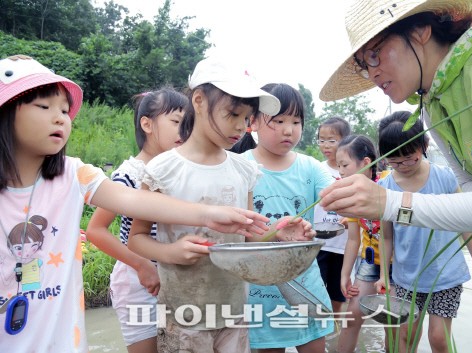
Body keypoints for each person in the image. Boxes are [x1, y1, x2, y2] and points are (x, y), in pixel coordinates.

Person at [0, 55, 270, 353]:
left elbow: (133, 201)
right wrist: (145, 263)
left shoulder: (74, 174)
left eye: (65, 110)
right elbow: (112, 229)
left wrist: (213, 216)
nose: (61, 118)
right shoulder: (153, 170)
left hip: (63, 340)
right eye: (44, 107)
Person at [126, 58, 314, 353]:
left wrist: (278, 233)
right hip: (182, 312)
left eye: (247, 118)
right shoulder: (163, 169)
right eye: (233, 114)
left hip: (235, 310)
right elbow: (136, 239)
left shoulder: (244, 171)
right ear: (199, 101)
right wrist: (170, 252)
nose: (241, 126)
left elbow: (248, 237)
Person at [318, 0, 472, 248]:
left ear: (420, 30)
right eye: (365, 65)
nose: (373, 73)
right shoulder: (433, 105)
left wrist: (389, 203)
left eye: (375, 54)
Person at [374, 111, 472, 353]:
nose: (403, 166)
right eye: (394, 161)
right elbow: (387, 236)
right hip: (407, 276)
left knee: (439, 338)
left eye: (409, 158)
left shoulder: (446, 178)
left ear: (424, 145)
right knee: (406, 336)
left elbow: (465, 223)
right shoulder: (385, 188)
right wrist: (384, 275)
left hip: (446, 274)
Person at [85, 87, 188, 353]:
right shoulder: (129, 174)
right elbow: (96, 230)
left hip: (176, 279)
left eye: (187, 124)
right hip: (137, 281)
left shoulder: (181, 172)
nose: (183, 131)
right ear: (147, 124)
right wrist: (141, 265)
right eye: (177, 122)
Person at [237, 83, 334, 353]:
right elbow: (238, 236)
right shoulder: (240, 168)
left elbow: (332, 192)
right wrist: (274, 233)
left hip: (306, 286)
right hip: (260, 293)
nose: (288, 130)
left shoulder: (311, 168)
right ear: (253, 122)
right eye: (278, 121)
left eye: (296, 121)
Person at [335, 134, 394, 353]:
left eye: (344, 165)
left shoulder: (389, 183)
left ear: (366, 163)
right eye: (338, 165)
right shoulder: (350, 195)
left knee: (393, 322)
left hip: (397, 263)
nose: (340, 171)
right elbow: (353, 239)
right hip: (370, 262)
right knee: (352, 316)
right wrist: (345, 275)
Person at [313, 116, 351, 316]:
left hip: (343, 244)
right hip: (319, 241)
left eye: (331, 140)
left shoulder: (353, 171)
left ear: (345, 140)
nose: (325, 145)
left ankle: (335, 332)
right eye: (321, 140)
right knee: (316, 289)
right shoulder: (316, 169)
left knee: (338, 293)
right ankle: (321, 330)